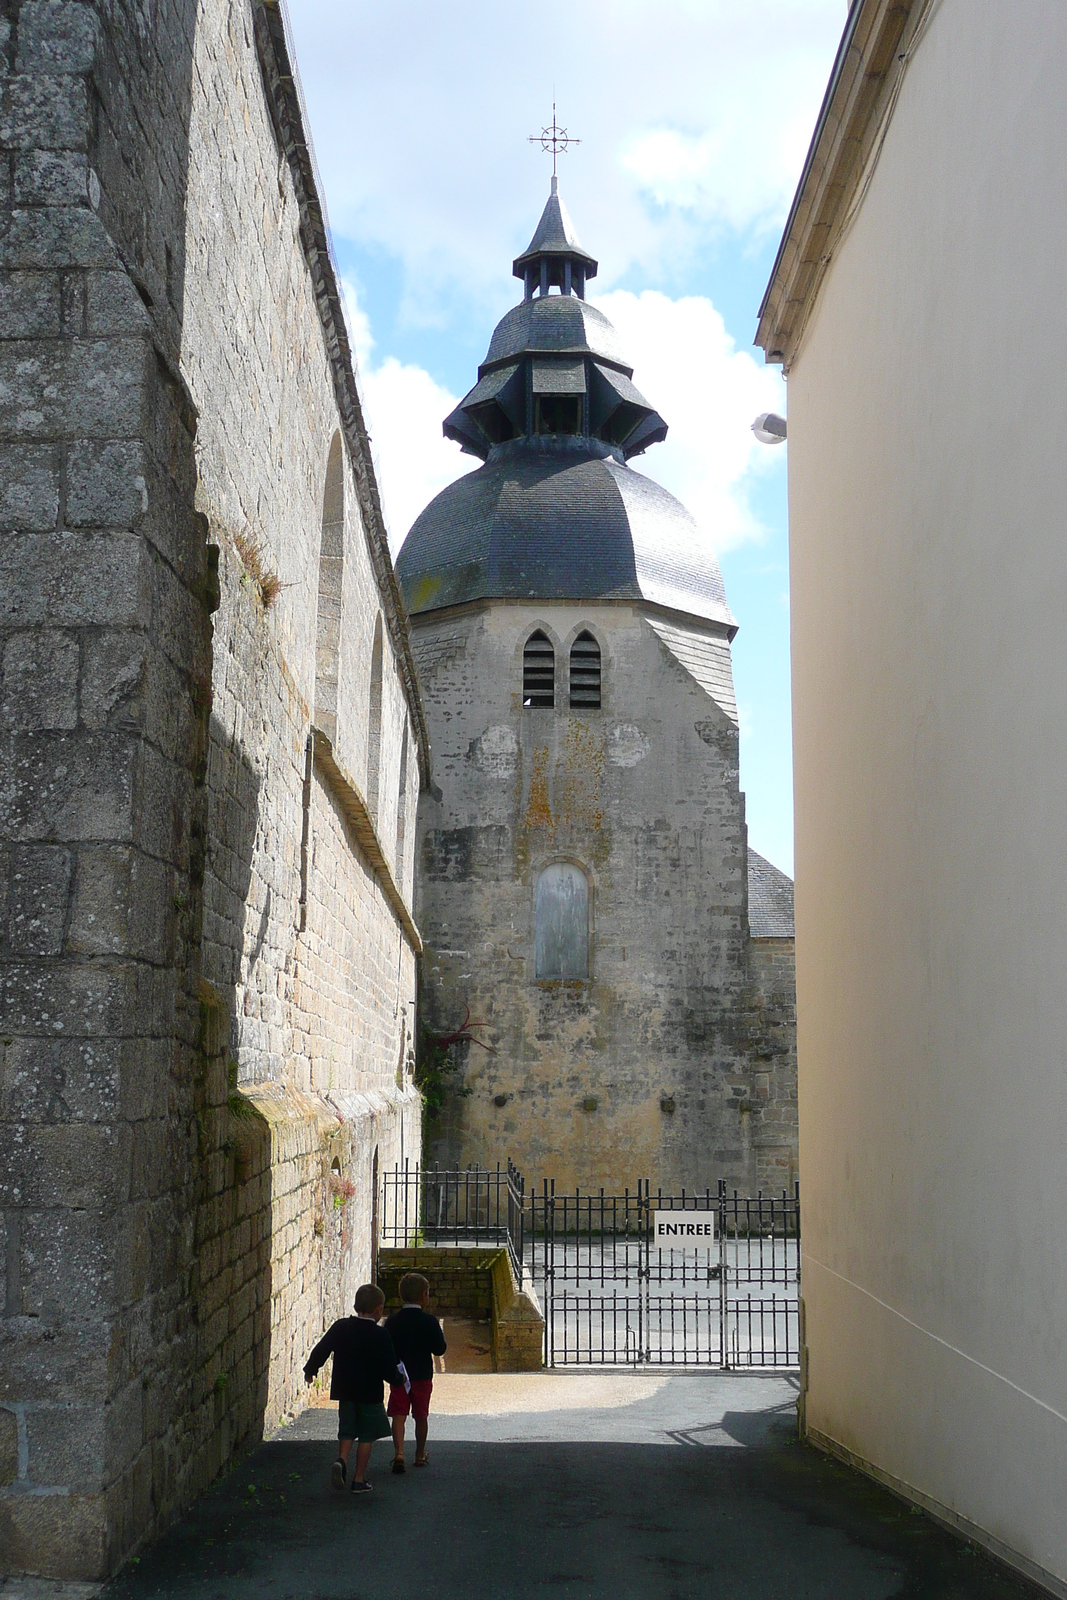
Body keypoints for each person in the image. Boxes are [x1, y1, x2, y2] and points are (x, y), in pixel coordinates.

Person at [303, 1282, 402, 1495]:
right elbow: (388, 1368)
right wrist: (398, 1380)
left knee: (347, 1429)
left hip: (345, 1390)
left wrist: (310, 1370)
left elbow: (322, 1349)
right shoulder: (380, 1335)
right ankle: (358, 1479)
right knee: (366, 1436)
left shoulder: (341, 1327)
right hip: (369, 1393)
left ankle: (342, 1459)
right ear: (378, 1309)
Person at [385, 1271, 447, 1473]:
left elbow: (387, 1347)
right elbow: (440, 1349)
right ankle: (419, 1454)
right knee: (421, 1415)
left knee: (399, 1414)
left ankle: (399, 1453)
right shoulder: (429, 1321)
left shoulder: (392, 1321)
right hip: (421, 1374)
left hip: (399, 1375)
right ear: (423, 1296)